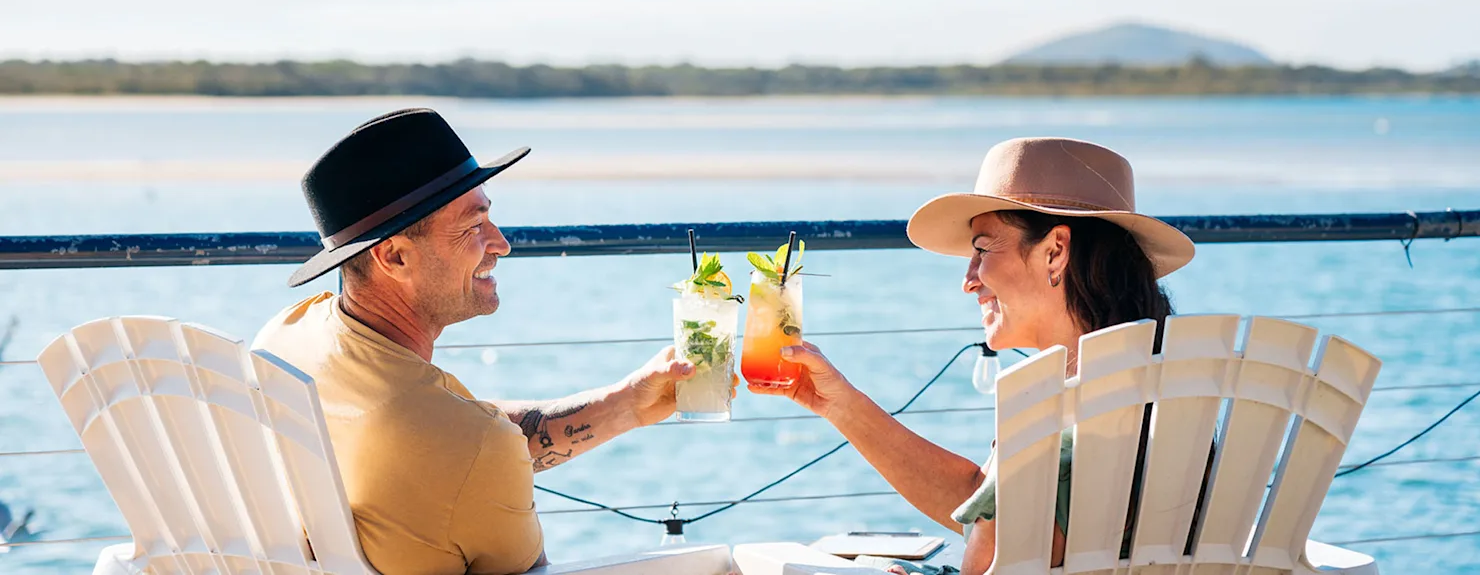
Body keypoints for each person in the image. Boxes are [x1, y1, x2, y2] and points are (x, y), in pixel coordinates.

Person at [255, 108, 711, 575]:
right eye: (473, 226)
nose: (500, 243)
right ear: (393, 255)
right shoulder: (459, 441)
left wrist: (625, 405)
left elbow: (458, 439)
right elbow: (469, 447)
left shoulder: (288, 337)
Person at [750, 137, 1195, 575]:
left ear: (1055, 252)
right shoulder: (1166, 389)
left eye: (982, 249)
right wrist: (839, 403)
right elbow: (983, 502)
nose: (969, 280)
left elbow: (985, 559)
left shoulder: (1050, 417)